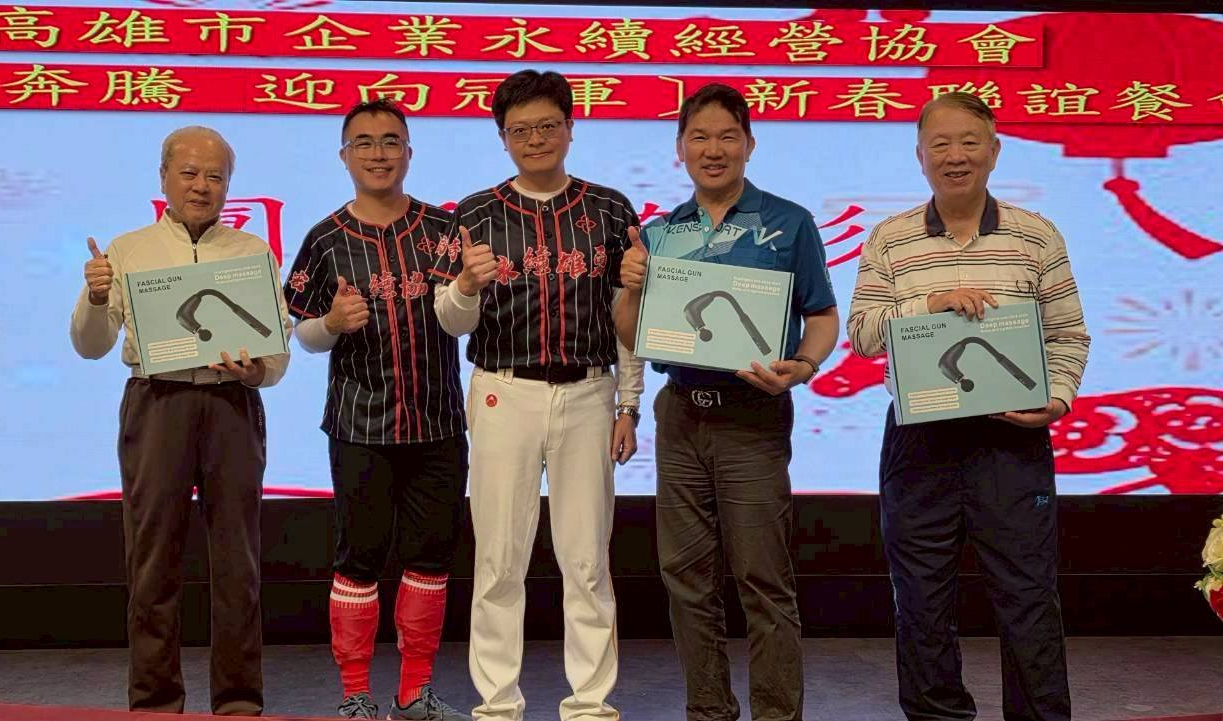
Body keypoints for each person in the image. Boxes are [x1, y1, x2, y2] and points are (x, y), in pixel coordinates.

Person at [846, 91, 1090, 721]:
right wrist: (927, 306)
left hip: (1011, 439)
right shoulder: (890, 239)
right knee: (921, 599)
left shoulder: (1036, 235)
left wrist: (1058, 400)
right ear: (920, 157)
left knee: (1028, 597)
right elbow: (863, 335)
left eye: (969, 142)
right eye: (940, 144)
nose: (955, 156)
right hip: (919, 439)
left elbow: (1068, 334)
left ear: (994, 150)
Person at [612, 82, 839, 721]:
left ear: (749, 144)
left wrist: (804, 366)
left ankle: (776, 714)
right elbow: (632, 333)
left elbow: (822, 314)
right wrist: (631, 289)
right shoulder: (661, 233)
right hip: (681, 412)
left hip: (752, 414)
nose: (714, 150)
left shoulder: (788, 222)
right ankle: (709, 711)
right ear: (680, 148)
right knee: (686, 577)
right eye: (700, 137)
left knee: (763, 579)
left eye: (727, 137)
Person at [428, 69, 643, 721]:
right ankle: (497, 703)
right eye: (520, 130)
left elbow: (630, 317)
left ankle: (590, 704)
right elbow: (449, 320)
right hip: (503, 391)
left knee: (587, 558)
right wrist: (466, 285)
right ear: (502, 137)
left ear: (571, 128)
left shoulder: (610, 210)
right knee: (498, 558)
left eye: (548, 126)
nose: (536, 139)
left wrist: (628, 404)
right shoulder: (473, 214)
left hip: (589, 393)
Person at [70, 125, 291, 716]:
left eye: (216, 176)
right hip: (157, 404)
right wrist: (96, 298)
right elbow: (90, 347)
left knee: (239, 562)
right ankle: (154, 701)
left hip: (231, 406)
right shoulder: (127, 250)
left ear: (229, 186)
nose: (202, 186)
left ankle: (239, 702)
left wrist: (258, 371)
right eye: (189, 173)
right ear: (163, 177)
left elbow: (277, 352)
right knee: (152, 560)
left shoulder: (252, 253)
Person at [283, 99, 472, 721]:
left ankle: (414, 693)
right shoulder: (325, 239)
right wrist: (332, 323)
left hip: (438, 422)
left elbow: (464, 315)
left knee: (431, 559)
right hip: (358, 424)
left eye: (391, 141)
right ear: (344, 156)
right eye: (363, 142)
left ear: (409, 153)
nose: (378, 153)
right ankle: (355, 696)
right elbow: (302, 332)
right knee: (358, 561)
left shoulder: (445, 230)